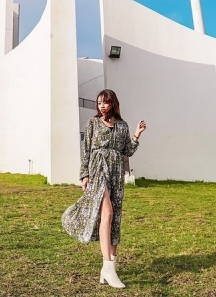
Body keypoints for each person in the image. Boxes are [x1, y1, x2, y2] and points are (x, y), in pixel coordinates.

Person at [62, 89, 147, 289]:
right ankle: (108, 268)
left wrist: (136, 135)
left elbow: (127, 151)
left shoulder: (122, 126)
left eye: (105, 102)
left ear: (113, 104)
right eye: (99, 102)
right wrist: (84, 174)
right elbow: (86, 150)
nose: (101, 106)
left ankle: (108, 268)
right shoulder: (92, 123)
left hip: (116, 173)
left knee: (114, 218)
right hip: (98, 169)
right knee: (107, 213)